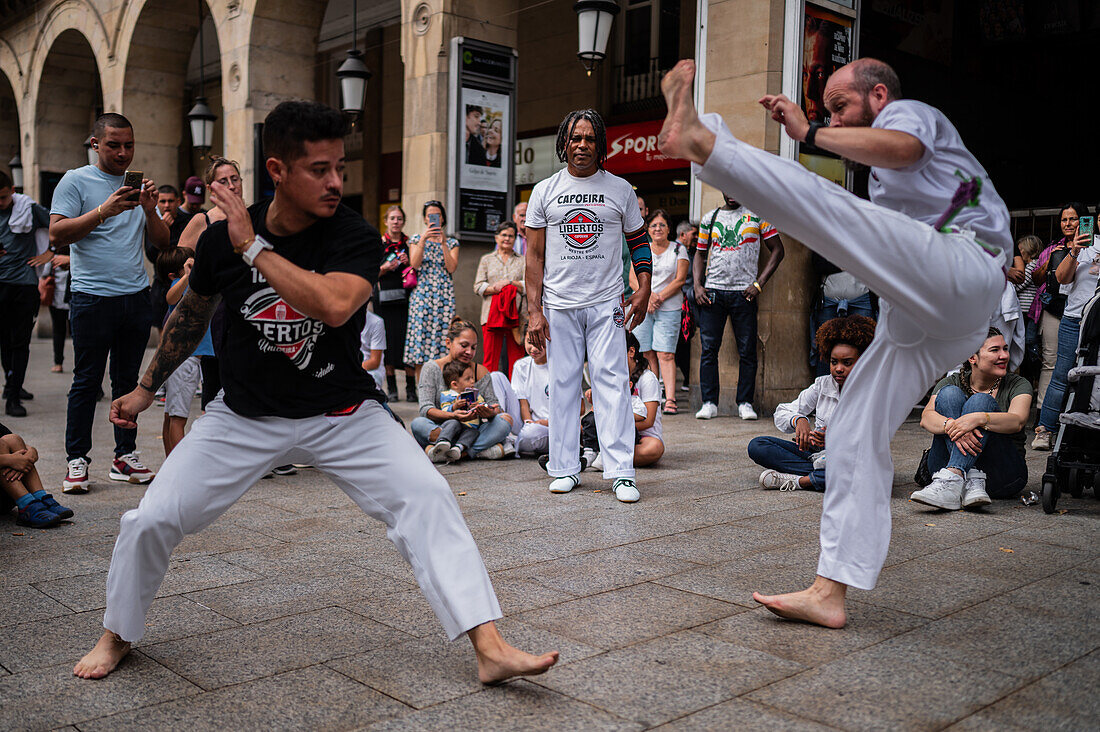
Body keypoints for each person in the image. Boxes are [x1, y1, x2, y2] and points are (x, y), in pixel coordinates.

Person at [72, 100, 557, 683]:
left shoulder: (349, 234)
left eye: (340, 169)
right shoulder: (224, 240)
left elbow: (331, 305)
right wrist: (147, 386)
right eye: (319, 169)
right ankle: (117, 633)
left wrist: (254, 248)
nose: (335, 183)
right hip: (244, 416)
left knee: (427, 495)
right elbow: (192, 312)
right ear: (277, 170)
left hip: (343, 411)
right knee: (149, 520)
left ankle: (489, 645)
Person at [657, 57, 1008, 627]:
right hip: (931, 313)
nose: (833, 120)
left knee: (834, 212)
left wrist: (809, 133)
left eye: (840, 106)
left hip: (968, 266)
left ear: (876, 95)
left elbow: (901, 149)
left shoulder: (912, 115)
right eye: (827, 113)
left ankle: (705, 141)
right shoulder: (880, 177)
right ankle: (830, 589)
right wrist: (820, 129)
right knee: (850, 429)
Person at [526, 108, 652, 503]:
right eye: (575, 138)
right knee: (562, 386)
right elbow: (533, 257)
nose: (582, 145)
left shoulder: (621, 190)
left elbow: (639, 242)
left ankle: (620, 472)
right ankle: (564, 468)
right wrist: (534, 310)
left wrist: (644, 287)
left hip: (606, 303)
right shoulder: (544, 191)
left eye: (590, 139)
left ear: (601, 146)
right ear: (563, 143)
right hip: (559, 304)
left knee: (612, 384)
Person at [49, 113, 169, 492]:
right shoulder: (75, 180)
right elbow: (56, 235)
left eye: (129, 145)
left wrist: (149, 209)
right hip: (91, 297)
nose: (122, 152)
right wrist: (104, 210)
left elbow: (164, 244)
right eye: (114, 144)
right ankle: (77, 460)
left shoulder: (137, 185)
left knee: (126, 382)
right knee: (86, 381)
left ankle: (124, 456)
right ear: (95, 143)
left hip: (134, 297)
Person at [748, 315, 876, 492]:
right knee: (758, 445)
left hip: (852, 458)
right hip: (817, 456)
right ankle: (827, 477)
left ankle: (800, 481)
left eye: (847, 363)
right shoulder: (822, 385)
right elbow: (783, 411)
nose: (838, 368)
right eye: (834, 362)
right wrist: (799, 420)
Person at [913, 328, 1031, 508]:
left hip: (1001, 474)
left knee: (981, 401)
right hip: (942, 469)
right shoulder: (951, 381)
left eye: (1005, 349)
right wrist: (953, 425)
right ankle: (965, 475)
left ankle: (955, 475)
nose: (1004, 355)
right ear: (972, 357)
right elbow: (926, 418)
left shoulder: (1018, 384)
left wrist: (979, 418)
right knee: (949, 394)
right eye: (995, 350)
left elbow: (1018, 421)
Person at [693, 192, 785, 421]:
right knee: (709, 349)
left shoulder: (758, 216)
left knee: (747, 351)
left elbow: (778, 249)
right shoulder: (710, 217)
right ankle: (709, 402)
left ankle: (745, 402)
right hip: (713, 292)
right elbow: (699, 253)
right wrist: (697, 285)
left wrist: (759, 284)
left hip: (744, 294)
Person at [177, 157, 245, 413]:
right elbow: (177, 262)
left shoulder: (253, 217)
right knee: (214, 384)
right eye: (223, 181)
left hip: (248, 310)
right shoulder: (202, 221)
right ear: (211, 188)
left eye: (235, 179)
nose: (231, 186)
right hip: (215, 313)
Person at [1035, 211, 1100, 445]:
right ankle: (1046, 430)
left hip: (1098, 319)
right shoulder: (1082, 245)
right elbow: (1062, 279)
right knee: (1061, 375)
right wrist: (1074, 251)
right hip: (1074, 319)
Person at [411, 319, 513, 460]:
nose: (469, 352)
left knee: (505, 420)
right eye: (464, 345)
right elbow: (425, 409)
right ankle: (472, 450)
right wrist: (454, 415)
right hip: (443, 428)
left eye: (473, 347)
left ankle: (453, 452)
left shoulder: (480, 371)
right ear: (448, 343)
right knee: (418, 424)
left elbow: (496, 408)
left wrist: (488, 412)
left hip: (472, 430)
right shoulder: (431, 368)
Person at [1029, 203, 1086, 450]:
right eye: (1065, 219)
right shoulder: (1059, 248)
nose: (1069, 224)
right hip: (1064, 313)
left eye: (1075, 219)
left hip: (1091, 315)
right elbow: (1055, 279)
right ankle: (1045, 425)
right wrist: (1067, 254)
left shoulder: (1094, 245)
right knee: (1057, 370)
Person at [0, 171, 51, 417]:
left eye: (3, 197)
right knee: (4, 340)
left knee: (20, 342)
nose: (0, 203)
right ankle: (13, 385)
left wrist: (51, 253)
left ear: (12, 190)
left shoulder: (27, 209)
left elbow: (58, 225)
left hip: (24, 284)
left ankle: (12, 395)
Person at [157, 247, 214, 456]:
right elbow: (170, 298)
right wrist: (188, 275)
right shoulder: (181, 286)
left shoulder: (192, 286)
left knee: (170, 417)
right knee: (178, 420)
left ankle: (169, 466)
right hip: (186, 360)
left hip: (182, 360)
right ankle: (179, 469)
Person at [631, 209, 689, 414]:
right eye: (654, 225)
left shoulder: (678, 249)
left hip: (669, 307)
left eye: (662, 225)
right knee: (646, 352)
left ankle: (671, 399)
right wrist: (648, 297)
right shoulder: (641, 248)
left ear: (669, 229)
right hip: (643, 307)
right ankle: (653, 395)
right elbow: (632, 277)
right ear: (647, 228)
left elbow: (680, 280)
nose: (657, 229)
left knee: (666, 353)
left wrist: (657, 297)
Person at [584, 331, 664, 470]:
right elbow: (596, 414)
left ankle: (597, 455)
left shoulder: (647, 379)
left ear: (631, 351)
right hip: (608, 430)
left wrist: (613, 427)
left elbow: (648, 421)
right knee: (580, 426)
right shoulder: (609, 377)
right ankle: (598, 455)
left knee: (654, 449)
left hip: (640, 437)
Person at [404, 202, 460, 373]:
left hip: (444, 296)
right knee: (421, 343)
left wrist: (443, 243)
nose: (433, 219)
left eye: (437, 215)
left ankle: (441, 390)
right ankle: (423, 393)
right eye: (429, 216)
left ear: (442, 218)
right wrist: (423, 239)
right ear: (424, 219)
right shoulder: (415, 239)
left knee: (443, 341)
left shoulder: (452, 243)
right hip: (422, 296)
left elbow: (451, 267)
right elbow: (415, 263)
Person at [373, 205, 417, 402]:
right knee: (387, 342)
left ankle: (410, 388)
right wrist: (385, 267)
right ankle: (391, 388)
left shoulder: (410, 244)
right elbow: (369, 272)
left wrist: (409, 263)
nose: (396, 222)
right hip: (383, 299)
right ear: (386, 221)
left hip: (406, 298)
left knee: (406, 342)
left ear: (403, 221)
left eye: (399, 218)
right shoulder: (378, 244)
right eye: (392, 218)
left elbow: (418, 269)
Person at [808, 253, 876, 377]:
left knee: (866, 349)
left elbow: (873, 263)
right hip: (829, 300)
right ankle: (825, 394)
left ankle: (862, 393)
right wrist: (852, 264)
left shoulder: (868, 236)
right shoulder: (828, 235)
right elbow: (818, 263)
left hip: (862, 298)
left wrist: (839, 261)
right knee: (824, 349)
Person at [474, 220, 525, 377]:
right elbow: (477, 286)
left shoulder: (522, 260)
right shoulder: (487, 259)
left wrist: (510, 283)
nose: (507, 239)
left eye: (511, 236)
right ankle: (490, 396)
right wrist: (494, 288)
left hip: (517, 314)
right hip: (491, 313)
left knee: (517, 359)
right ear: (496, 238)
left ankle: (516, 397)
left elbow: (528, 286)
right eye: (504, 235)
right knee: (490, 358)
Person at [1, 422, 73, 528]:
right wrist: (9, 460)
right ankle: (26, 505)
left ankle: (39, 497)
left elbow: (25, 447)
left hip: (8, 494)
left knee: (13, 439)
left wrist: (30, 454)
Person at [146, 185, 194, 336]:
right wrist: (162, 230)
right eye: (163, 201)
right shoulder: (153, 222)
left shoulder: (186, 220)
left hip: (186, 283)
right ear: (157, 203)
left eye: (171, 201)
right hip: (162, 285)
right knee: (165, 335)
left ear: (178, 201)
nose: (167, 205)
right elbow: (151, 255)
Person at [423, 360, 489, 463]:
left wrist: (480, 406)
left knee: (474, 433)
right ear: (454, 384)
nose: (472, 381)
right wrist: (454, 407)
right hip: (456, 425)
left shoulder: (475, 395)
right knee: (452, 423)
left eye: (472, 377)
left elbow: (484, 405)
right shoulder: (447, 395)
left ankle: (458, 448)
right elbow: (444, 410)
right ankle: (443, 442)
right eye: (468, 379)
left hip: (470, 427)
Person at [511, 328, 552, 457]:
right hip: (528, 425)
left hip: (550, 427)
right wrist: (528, 422)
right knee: (497, 377)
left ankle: (512, 443)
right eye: (530, 342)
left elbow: (580, 408)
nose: (533, 349)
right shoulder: (521, 365)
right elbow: (522, 403)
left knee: (531, 434)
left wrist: (543, 423)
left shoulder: (561, 366)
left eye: (539, 343)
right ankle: (512, 440)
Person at [1011, 235, 1043, 380]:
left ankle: (1030, 373)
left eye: (1020, 250)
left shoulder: (1031, 266)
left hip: (1026, 311)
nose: (1019, 253)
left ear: (1028, 250)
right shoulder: (1034, 265)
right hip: (1026, 310)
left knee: (1027, 342)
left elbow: (1019, 284)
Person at [673, 219, 699, 394]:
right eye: (693, 234)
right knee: (680, 343)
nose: (696, 237)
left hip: (688, 304)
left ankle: (688, 379)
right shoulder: (674, 251)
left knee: (684, 342)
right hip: (678, 304)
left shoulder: (691, 252)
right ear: (683, 235)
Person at [43, 253, 71, 373]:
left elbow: (44, 274)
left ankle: (58, 363)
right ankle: (62, 362)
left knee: (58, 331)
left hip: (60, 299)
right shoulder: (75, 257)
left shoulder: (53, 257)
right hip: (69, 300)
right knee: (76, 334)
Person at [360, 306, 387, 392]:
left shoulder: (376, 322)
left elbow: (374, 362)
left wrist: (351, 370)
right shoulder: (341, 320)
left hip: (371, 371)